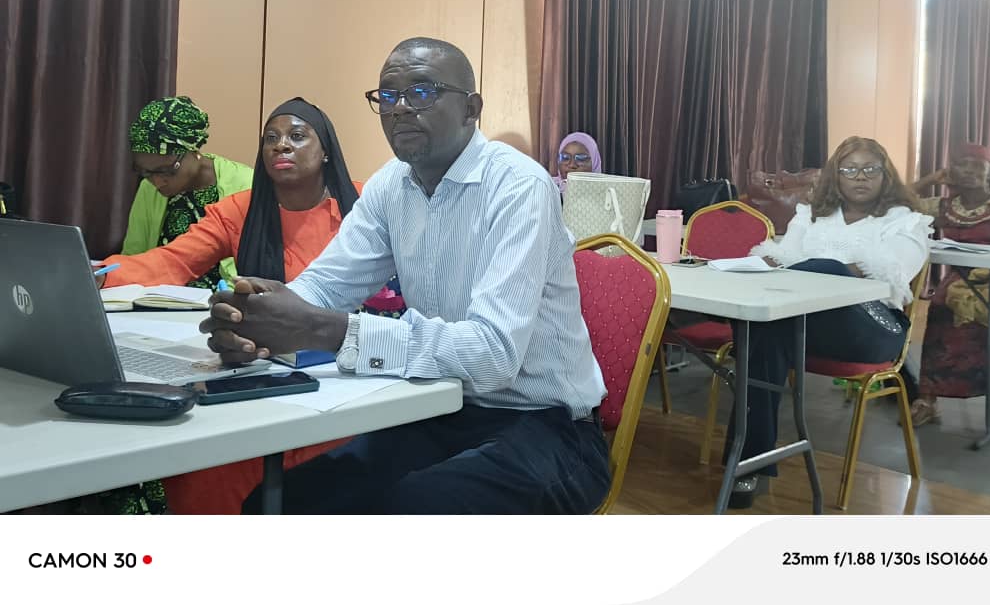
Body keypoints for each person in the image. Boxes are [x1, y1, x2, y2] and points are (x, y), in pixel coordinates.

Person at [202, 37, 611, 514]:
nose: (399, 109)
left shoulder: (518, 187)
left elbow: (494, 354)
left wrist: (330, 329)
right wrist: (257, 315)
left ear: (471, 109)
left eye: (421, 92)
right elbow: (324, 289)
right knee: (282, 503)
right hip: (436, 407)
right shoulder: (389, 187)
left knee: (407, 510)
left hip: (547, 426)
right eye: (388, 96)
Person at [99, 97, 403, 514]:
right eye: (270, 138)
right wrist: (98, 273)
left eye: (297, 136)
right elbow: (171, 261)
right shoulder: (239, 210)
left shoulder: (367, 206)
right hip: (262, 373)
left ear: (326, 150)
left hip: (354, 375)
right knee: (195, 455)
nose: (281, 145)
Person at [722, 137, 931, 508]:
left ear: (885, 175)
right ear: (836, 175)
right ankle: (750, 462)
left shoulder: (905, 220)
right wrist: (771, 263)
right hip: (810, 323)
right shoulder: (813, 215)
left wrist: (807, 269)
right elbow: (784, 256)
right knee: (763, 329)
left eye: (870, 169)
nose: (860, 177)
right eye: (850, 169)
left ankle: (746, 461)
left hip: (874, 326)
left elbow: (893, 270)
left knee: (827, 270)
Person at [908, 142, 990, 426]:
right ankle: (928, 399)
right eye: (962, 164)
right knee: (941, 305)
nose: (970, 171)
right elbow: (896, 203)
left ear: (989, 171)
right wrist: (930, 179)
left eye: (978, 165)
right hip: (960, 281)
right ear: (951, 170)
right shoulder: (943, 206)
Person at [124, 96, 253, 288]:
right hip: (156, 298)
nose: (157, 182)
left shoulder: (246, 184)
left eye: (167, 170)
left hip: (225, 299)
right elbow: (134, 255)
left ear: (193, 151)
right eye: (146, 173)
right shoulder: (148, 188)